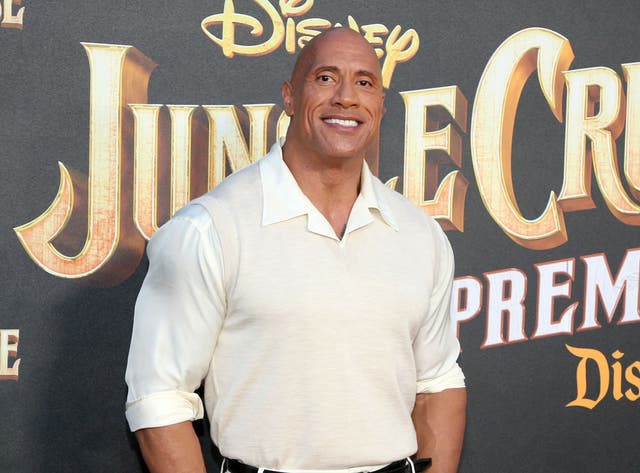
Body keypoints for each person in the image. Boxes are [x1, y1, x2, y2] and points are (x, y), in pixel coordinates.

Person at [125, 27, 466, 473]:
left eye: (364, 82)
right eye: (325, 78)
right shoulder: (211, 228)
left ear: (381, 106)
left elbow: (438, 381)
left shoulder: (421, 235)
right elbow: (158, 399)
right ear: (289, 97)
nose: (346, 97)